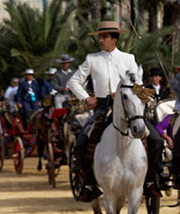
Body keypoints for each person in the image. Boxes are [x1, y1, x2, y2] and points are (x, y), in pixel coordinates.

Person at [68, 20, 164, 202]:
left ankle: (151, 179)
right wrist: (87, 98)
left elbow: (139, 85)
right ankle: (89, 183)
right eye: (100, 37)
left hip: (129, 108)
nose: (101, 40)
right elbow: (73, 82)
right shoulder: (92, 59)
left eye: (104, 37)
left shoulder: (129, 58)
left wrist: (123, 93)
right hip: (103, 107)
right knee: (81, 142)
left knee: (155, 139)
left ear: (114, 39)